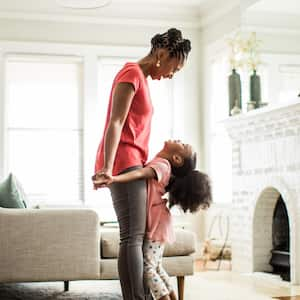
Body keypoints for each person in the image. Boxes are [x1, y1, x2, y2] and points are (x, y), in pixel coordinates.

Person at [93, 28, 192, 300]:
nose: (172, 74)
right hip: (124, 161)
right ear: (161, 54)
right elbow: (116, 121)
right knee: (132, 238)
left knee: (135, 237)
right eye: (175, 67)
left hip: (133, 162)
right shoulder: (131, 73)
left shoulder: (142, 79)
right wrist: (107, 167)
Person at [93, 140, 212, 300]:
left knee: (148, 267)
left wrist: (114, 179)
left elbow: (139, 174)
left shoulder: (162, 165)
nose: (180, 141)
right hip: (160, 221)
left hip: (157, 222)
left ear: (177, 158)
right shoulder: (162, 164)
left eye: (184, 145)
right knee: (155, 265)